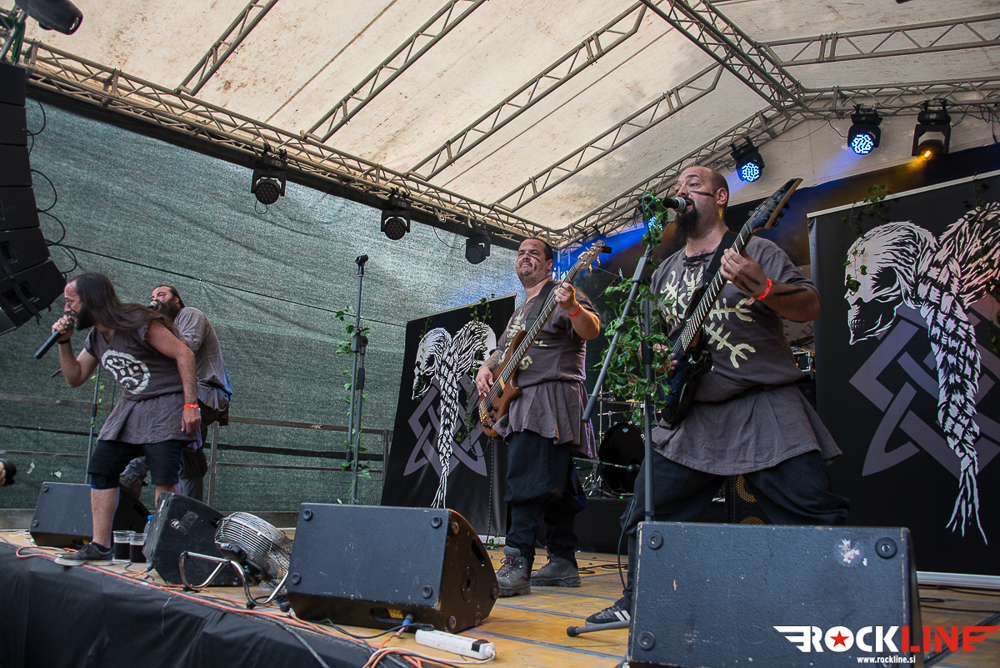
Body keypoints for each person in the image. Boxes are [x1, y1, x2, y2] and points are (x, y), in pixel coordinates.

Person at [586, 166, 849, 624]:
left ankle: (840, 610)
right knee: (647, 513)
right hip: (693, 412)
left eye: (693, 185)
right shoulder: (663, 271)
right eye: (676, 187)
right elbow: (658, 342)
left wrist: (765, 287)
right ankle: (640, 603)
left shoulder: (756, 249)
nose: (681, 192)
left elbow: (810, 306)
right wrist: (657, 358)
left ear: (721, 196)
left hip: (762, 402)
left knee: (815, 513)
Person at [475, 238, 601, 596]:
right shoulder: (521, 310)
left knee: (527, 482)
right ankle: (562, 561)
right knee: (559, 484)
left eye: (534, 253)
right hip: (521, 400)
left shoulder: (563, 294)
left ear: (549, 265)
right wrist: (486, 368)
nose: (525, 257)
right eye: (521, 253)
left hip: (549, 396)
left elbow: (591, 329)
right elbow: (502, 351)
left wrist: (572, 306)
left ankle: (517, 566)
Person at [50, 272, 201, 566]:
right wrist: (64, 342)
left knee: (164, 475)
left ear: (91, 300)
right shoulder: (96, 337)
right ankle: (100, 546)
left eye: (71, 302)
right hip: (131, 406)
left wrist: (190, 404)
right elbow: (75, 377)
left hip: (165, 402)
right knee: (102, 468)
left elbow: (184, 354)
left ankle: (164, 551)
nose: (67, 309)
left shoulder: (138, 322)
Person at [119, 285, 232, 502]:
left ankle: (134, 470)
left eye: (161, 295)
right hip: (183, 396)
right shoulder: (163, 328)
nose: (155, 299)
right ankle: (190, 515)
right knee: (190, 463)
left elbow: (186, 347)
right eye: (152, 296)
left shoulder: (189, 314)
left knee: (166, 433)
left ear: (176, 299)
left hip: (205, 393)